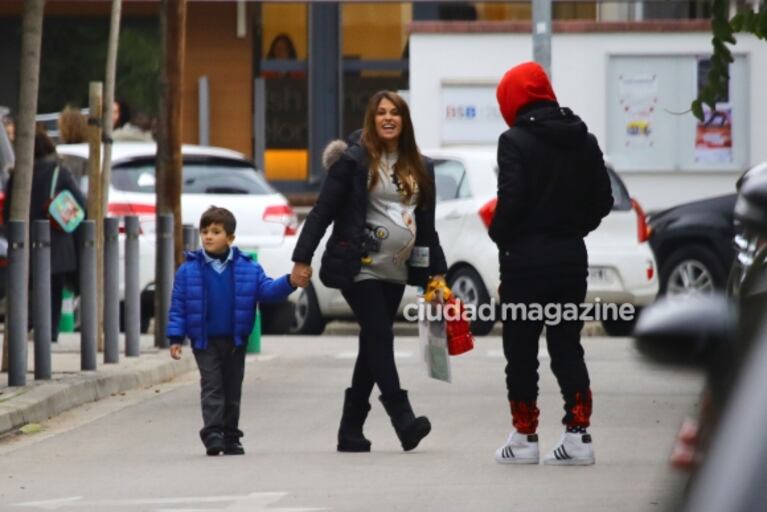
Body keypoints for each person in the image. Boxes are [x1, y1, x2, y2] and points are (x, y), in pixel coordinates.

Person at [291, 90, 448, 453]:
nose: (388, 118)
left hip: (396, 270)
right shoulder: (354, 161)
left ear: (404, 121)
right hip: (357, 265)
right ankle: (402, 417)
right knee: (380, 334)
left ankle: (350, 430)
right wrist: (303, 259)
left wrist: (435, 275)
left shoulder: (421, 167)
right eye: (381, 112)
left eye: (395, 112)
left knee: (371, 344)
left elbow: (427, 228)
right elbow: (322, 212)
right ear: (372, 119)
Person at [490, 62, 613, 466]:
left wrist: (499, 234)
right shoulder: (584, 139)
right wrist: (572, 230)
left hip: (524, 266)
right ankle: (579, 437)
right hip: (569, 261)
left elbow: (512, 201)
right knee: (566, 347)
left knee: (521, 351)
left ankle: (524, 439)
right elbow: (603, 201)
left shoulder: (514, 141)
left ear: (513, 99)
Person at [167, 206, 308, 456]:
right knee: (212, 385)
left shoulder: (248, 268)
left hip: (235, 340)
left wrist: (290, 282)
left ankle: (231, 434)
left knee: (232, 388)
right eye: (205, 231)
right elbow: (178, 305)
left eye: (216, 231)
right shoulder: (188, 270)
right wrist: (175, 337)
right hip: (204, 340)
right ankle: (212, 433)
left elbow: (267, 291)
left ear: (230, 238)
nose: (208, 236)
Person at [3, 124, 87, 342]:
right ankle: (49, 334)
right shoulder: (59, 171)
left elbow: (7, 210)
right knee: (53, 290)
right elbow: (81, 205)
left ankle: (28, 328)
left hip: (23, 243)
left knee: (27, 287)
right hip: (56, 243)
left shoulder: (17, 174)